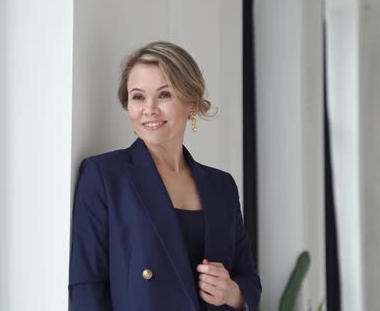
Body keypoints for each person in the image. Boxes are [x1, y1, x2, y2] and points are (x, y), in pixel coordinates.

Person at [68, 41, 261, 310]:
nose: (149, 109)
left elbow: (248, 276)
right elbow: (87, 285)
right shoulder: (104, 176)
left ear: (191, 103)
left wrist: (233, 293)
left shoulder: (221, 186)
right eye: (138, 96)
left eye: (164, 95)